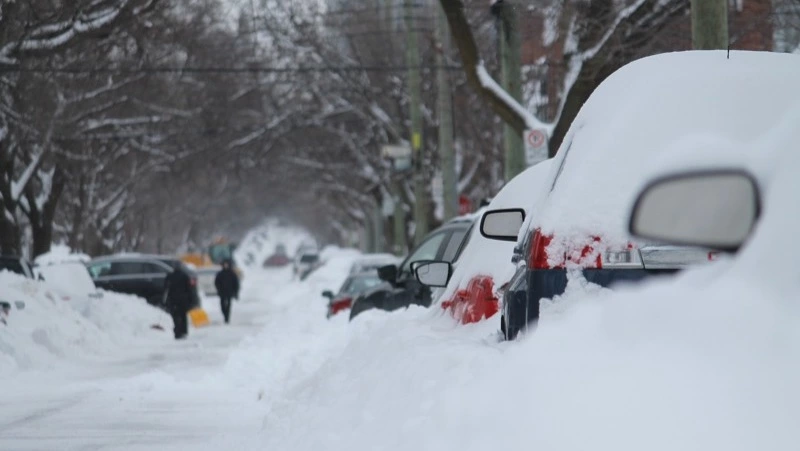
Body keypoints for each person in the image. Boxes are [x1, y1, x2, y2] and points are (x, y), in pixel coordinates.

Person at [164, 264, 193, 339]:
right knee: (183, 316)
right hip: (183, 300)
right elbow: (189, 289)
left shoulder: (170, 276)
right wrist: (190, 299)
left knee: (175, 316)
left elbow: (166, 287)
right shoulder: (184, 276)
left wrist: (166, 299)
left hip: (173, 299)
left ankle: (177, 331)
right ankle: (184, 331)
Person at [214, 259, 240, 324]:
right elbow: (216, 282)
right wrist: (218, 289)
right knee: (222, 305)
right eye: (224, 265)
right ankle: (225, 314)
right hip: (222, 292)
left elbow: (236, 283)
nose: (226, 266)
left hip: (229, 292)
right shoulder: (220, 274)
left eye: (227, 265)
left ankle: (227, 317)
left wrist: (235, 292)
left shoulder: (232, 274)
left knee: (228, 304)